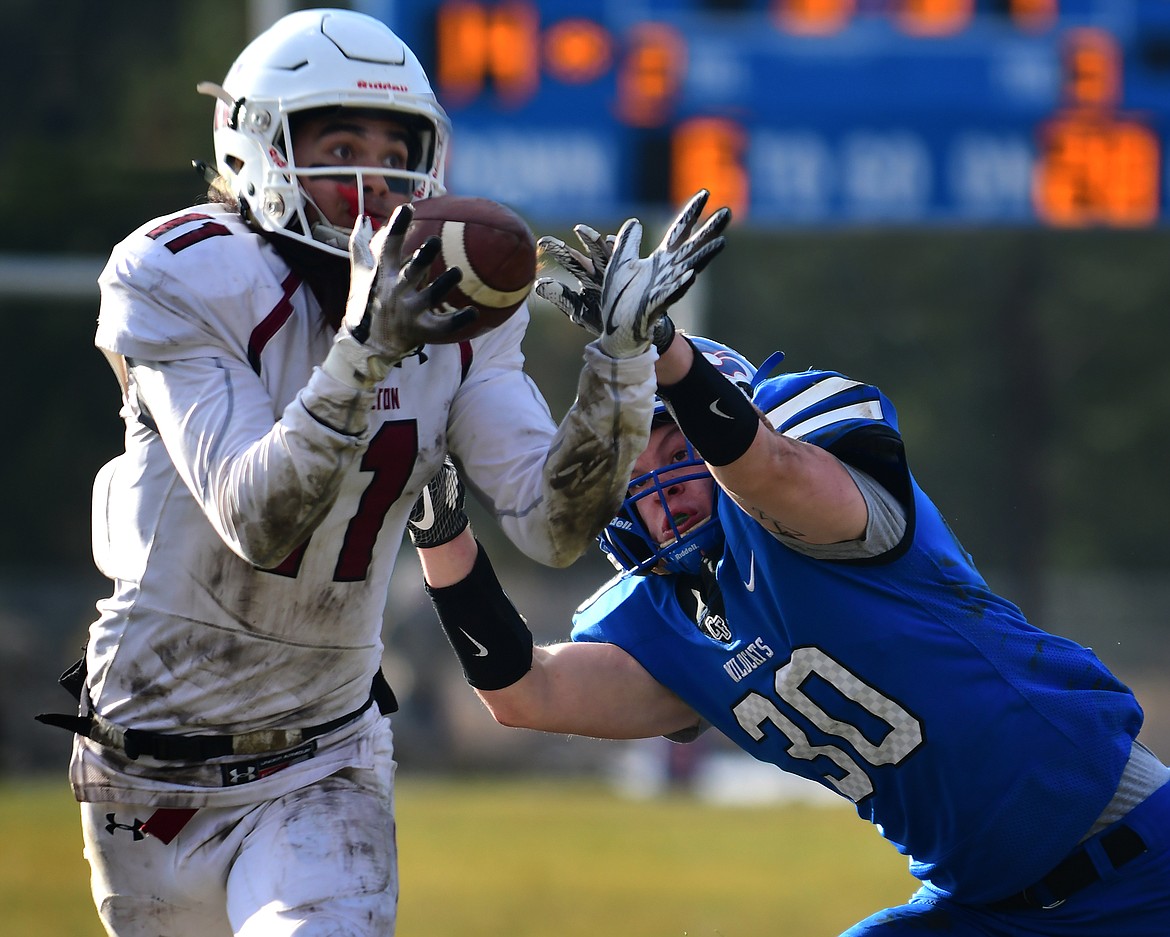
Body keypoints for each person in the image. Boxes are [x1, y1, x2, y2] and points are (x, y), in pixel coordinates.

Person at [35, 9, 729, 937]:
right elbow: (258, 515)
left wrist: (623, 365)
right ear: (259, 149)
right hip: (149, 752)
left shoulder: (461, 302)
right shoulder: (183, 273)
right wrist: (364, 351)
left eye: (394, 147)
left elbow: (547, 520)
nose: (371, 179)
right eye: (340, 144)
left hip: (323, 756)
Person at [410, 237, 1170, 934]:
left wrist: (664, 347)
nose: (657, 481)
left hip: (1135, 859)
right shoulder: (669, 622)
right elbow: (524, 692)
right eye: (631, 467)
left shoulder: (825, 505)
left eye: (673, 445)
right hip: (972, 904)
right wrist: (437, 524)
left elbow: (769, 471)